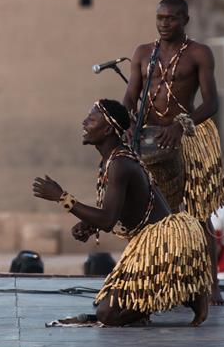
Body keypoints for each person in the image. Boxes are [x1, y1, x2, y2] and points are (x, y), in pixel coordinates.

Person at [32, 99, 210, 327]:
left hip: (164, 243)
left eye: (91, 119)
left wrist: (63, 198)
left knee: (107, 315)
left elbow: (107, 220)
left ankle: (184, 292)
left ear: (107, 130)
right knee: (108, 310)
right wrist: (90, 223)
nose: (84, 123)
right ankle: (183, 292)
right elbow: (117, 211)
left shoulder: (119, 164)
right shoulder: (113, 159)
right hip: (155, 239)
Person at [123, 0, 224, 305]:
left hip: (189, 134)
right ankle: (156, 281)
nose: (163, 24)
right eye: (159, 18)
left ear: (185, 20)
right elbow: (131, 95)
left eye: (170, 18)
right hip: (150, 137)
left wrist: (180, 126)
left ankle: (211, 284)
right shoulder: (143, 54)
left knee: (199, 212)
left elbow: (211, 102)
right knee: (150, 212)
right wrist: (127, 121)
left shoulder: (199, 54)